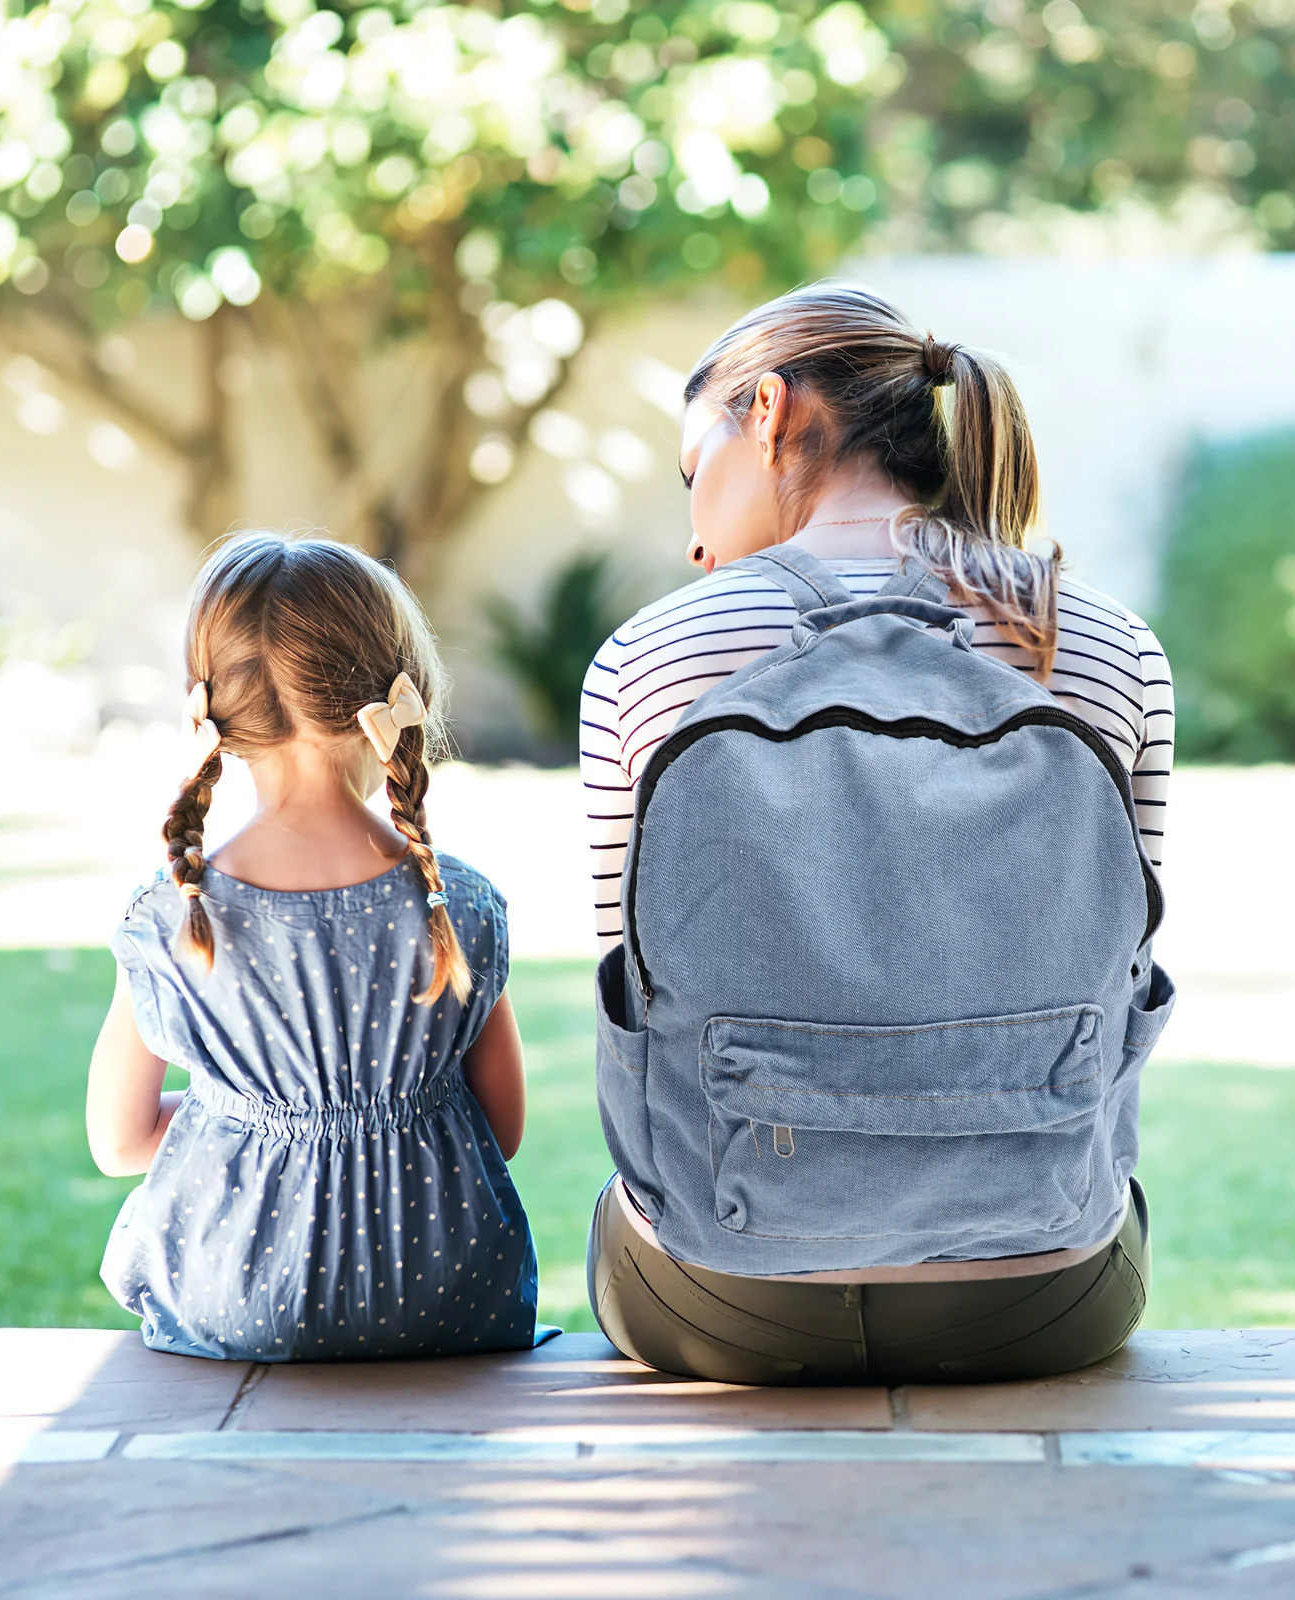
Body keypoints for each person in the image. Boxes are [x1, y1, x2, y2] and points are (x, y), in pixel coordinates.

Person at [580, 285, 1174, 1384]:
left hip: (723, 1294)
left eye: (689, 471)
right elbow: (1120, 962)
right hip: (1042, 1292)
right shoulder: (1101, 641)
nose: (692, 532)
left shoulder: (649, 655)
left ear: (764, 411)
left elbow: (635, 979)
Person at [87, 532, 538, 1361]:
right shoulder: (460, 904)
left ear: (211, 711)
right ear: (401, 696)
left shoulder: (171, 915)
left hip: (236, 1300)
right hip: (446, 1297)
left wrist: (251, 1112)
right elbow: (501, 1127)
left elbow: (119, 1143)